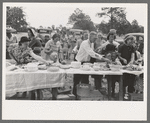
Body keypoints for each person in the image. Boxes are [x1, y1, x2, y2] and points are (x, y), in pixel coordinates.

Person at [73, 31, 111, 97]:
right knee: (77, 80)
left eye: (96, 38)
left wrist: (100, 53)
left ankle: (83, 94)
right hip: (79, 62)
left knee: (85, 80)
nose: (95, 39)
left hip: (86, 63)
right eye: (94, 38)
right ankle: (75, 95)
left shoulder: (92, 43)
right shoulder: (85, 43)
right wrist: (103, 59)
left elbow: (93, 52)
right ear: (90, 37)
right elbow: (92, 53)